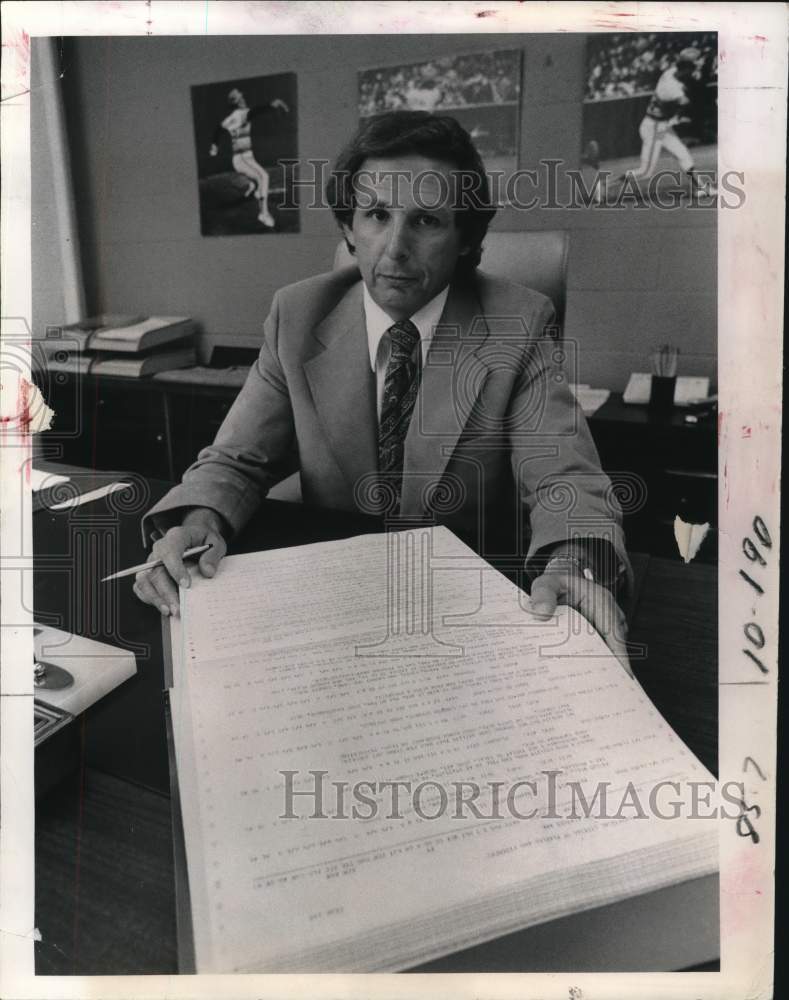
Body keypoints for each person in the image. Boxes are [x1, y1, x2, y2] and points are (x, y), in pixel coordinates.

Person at [138, 111, 632, 671]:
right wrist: (198, 523)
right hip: (332, 606)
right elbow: (236, 461)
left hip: (467, 613)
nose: (395, 248)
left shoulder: (518, 324)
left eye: (426, 221)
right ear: (349, 227)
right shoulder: (297, 316)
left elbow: (567, 480)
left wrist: (575, 562)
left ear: (467, 239)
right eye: (376, 215)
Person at [622, 47, 716, 194]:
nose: (698, 67)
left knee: (683, 154)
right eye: (695, 64)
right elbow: (686, 102)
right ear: (687, 67)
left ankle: (701, 188)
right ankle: (605, 184)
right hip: (654, 128)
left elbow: (688, 78)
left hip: (662, 126)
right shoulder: (671, 89)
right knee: (645, 172)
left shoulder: (672, 72)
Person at [209, 87, 290, 227]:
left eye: (242, 96)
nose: (244, 99)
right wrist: (272, 105)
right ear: (237, 102)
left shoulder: (230, 118)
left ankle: (253, 188)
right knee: (264, 177)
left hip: (246, 158)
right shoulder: (241, 114)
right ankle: (263, 214)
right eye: (240, 98)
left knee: (258, 179)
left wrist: (214, 146)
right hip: (242, 160)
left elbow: (218, 129)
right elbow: (255, 112)